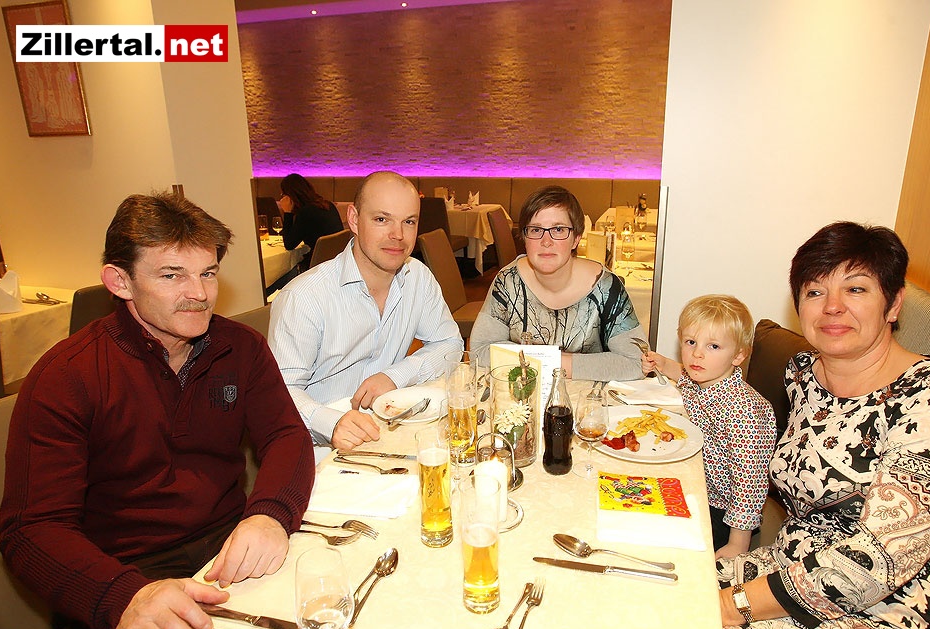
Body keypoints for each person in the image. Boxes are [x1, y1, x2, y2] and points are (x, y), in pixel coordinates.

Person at [0, 193, 315, 629]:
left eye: (208, 273)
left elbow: (286, 435)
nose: (200, 293)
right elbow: (30, 530)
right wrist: (123, 596)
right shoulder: (66, 376)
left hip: (228, 550)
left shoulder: (241, 348)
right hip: (127, 577)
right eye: (172, 275)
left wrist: (269, 514)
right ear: (120, 281)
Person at [718, 222, 930, 629]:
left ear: (894, 303)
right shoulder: (805, 375)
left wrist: (728, 606)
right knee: (644, 586)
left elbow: (873, 565)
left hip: (907, 615)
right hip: (792, 566)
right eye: (814, 291)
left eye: (856, 289)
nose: (832, 306)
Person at [268, 170, 463, 450]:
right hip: (319, 449)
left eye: (408, 222)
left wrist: (396, 375)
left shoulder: (417, 278)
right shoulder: (304, 298)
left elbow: (450, 343)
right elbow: (279, 393)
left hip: (390, 433)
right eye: (382, 219)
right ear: (354, 219)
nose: (398, 235)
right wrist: (331, 423)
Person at [641, 295, 776, 559]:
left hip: (725, 512)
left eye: (713, 346)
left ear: (738, 355)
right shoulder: (703, 379)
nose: (697, 354)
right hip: (695, 484)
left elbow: (749, 483)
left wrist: (738, 543)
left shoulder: (745, 411)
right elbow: (683, 373)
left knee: (663, 551)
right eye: (690, 342)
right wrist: (662, 363)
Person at [470, 185, 645, 380]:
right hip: (523, 396)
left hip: (590, 397)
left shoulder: (606, 287)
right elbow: (480, 352)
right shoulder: (508, 281)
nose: (546, 241)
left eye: (559, 229)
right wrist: (560, 361)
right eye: (536, 230)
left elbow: (636, 363)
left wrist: (548, 362)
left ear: (576, 239)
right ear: (525, 238)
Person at [277, 173, 344, 269]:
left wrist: (287, 213)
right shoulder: (328, 205)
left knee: (286, 272)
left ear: (290, 196)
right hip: (337, 262)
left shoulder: (306, 212)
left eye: (283, 195)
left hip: (318, 267)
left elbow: (289, 244)